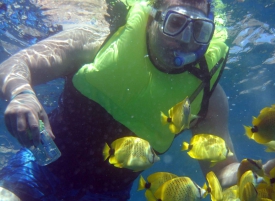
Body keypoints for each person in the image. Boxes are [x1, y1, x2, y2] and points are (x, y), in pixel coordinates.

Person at [0, 0, 239, 200]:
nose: (186, 40)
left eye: (199, 31)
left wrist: (252, 176)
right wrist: (22, 94)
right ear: (151, 18)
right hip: (37, 169)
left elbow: (223, 169)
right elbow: (19, 64)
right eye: (175, 23)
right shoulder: (102, 40)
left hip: (106, 196)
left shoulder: (206, 94)